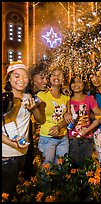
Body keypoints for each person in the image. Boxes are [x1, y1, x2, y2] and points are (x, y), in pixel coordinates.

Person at [2, 61, 46, 201]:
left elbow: (42, 120)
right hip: (6, 154)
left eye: (25, 76)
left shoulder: (29, 98)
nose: (21, 80)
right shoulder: (4, 98)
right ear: (9, 77)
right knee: (6, 193)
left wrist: (34, 109)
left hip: (23, 152)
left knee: (16, 188)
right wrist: (12, 143)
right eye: (16, 76)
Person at [64, 75, 101, 168]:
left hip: (87, 138)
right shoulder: (67, 99)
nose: (76, 85)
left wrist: (87, 130)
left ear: (84, 84)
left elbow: (99, 117)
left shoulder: (89, 99)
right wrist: (65, 114)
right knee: (73, 167)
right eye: (74, 82)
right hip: (71, 138)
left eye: (79, 82)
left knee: (85, 167)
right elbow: (63, 116)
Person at [36, 65, 70, 169]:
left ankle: (58, 186)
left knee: (61, 168)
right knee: (45, 169)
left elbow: (68, 118)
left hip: (63, 138)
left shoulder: (66, 97)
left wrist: (59, 126)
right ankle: (44, 186)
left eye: (59, 75)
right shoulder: (42, 95)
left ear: (63, 78)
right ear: (49, 78)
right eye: (53, 75)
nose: (56, 77)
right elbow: (38, 115)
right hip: (47, 138)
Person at [22, 62, 49, 179]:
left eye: (47, 78)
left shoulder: (40, 94)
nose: (46, 81)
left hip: (33, 135)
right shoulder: (23, 94)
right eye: (42, 78)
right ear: (33, 78)